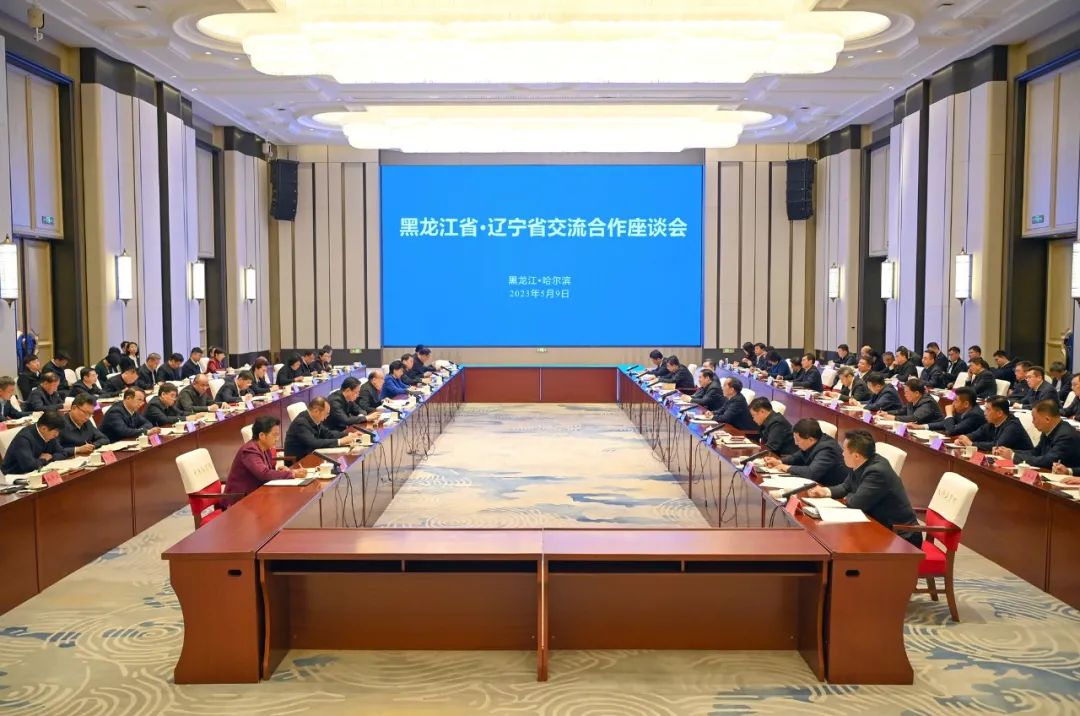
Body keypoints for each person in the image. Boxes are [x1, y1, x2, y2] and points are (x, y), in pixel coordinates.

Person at [807, 430, 921, 546]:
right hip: (878, 525)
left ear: (856, 455)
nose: (842, 454)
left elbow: (855, 504)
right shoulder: (862, 461)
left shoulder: (877, 471)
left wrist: (848, 496)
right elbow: (846, 486)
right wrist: (825, 491)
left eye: (845, 450)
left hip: (901, 536)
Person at [223, 415, 306, 505]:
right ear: (262, 435)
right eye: (274, 435)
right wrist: (291, 473)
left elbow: (267, 471)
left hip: (257, 493)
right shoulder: (249, 451)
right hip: (240, 500)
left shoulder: (265, 447)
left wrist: (280, 471)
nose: (277, 439)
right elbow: (264, 474)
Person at [994, 400, 1080, 469]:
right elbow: (1036, 452)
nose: (1032, 422)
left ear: (1047, 419)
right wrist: (1011, 452)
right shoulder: (1049, 429)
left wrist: (1013, 456)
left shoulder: (1065, 436)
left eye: (1034, 419)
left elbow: (1048, 461)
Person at [764, 418, 849, 487]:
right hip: (818, 485)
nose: (795, 443)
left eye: (798, 440)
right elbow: (797, 456)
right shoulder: (815, 441)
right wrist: (779, 461)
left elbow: (811, 473)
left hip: (832, 491)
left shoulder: (827, 449)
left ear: (810, 439)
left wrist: (786, 467)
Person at [283, 397, 359, 458]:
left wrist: (348, 435)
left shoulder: (313, 418)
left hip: (311, 454)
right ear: (316, 411)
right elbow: (313, 443)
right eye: (326, 413)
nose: (327, 417)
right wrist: (339, 441)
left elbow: (328, 434)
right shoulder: (301, 422)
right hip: (299, 461)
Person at [954, 397, 1034, 453]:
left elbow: (997, 445)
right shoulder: (992, 422)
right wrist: (963, 439)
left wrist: (972, 444)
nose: (984, 413)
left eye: (987, 409)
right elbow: (976, 434)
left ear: (999, 413)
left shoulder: (1013, 426)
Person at [2, 411, 67, 474]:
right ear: (44, 428)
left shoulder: (50, 434)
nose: (57, 435)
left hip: (37, 471)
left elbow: (63, 453)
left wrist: (50, 457)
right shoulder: (23, 439)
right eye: (55, 431)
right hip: (14, 475)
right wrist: (44, 460)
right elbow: (29, 466)